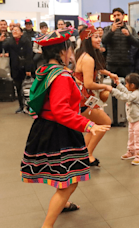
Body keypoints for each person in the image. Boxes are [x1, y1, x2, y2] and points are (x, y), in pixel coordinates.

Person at [20, 28, 110, 228]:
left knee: (62, 176)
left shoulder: (46, 71)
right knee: (70, 181)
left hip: (47, 127)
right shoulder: (61, 76)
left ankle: (64, 204)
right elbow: (61, 110)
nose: (72, 53)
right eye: (69, 49)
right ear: (61, 52)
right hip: (60, 131)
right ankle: (47, 225)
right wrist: (88, 124)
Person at [74, 23, 118, 166]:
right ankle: (88, 155)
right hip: (84, 99)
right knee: (105, 122)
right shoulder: (88, 59)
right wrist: (106, 86)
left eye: (100, 37)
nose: (99, 40)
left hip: (82, 98)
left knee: (92, 125)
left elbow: (98, 69)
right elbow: (88, 84)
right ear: (87, 39)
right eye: (96, 37)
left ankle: (83, 154)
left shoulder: (84, 54)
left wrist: (110, 74)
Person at [102, 7, 139, 126]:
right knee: (112, 91)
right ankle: (113, 117)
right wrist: (112, 31)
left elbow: (137, 43)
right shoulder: (108, 29)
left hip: (126, 64)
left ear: (123, 16)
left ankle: (125, 117)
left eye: (119, 14)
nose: (117, 17)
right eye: (115, 15)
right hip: (112, 64)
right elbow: (104, 41)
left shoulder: (130, 29)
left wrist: (128, 36)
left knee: (127, 92)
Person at [110, 73, 139, 165]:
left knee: (138, 139)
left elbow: (126, 97)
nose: (125, 85)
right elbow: (126, 92)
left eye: (126, 84)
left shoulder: (137, 94)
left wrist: (112, 90)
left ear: (132, 85)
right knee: (131, 137)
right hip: (132, 120)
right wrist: (118, 85)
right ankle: (131, 152)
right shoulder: (133, 91)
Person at [0, 26, 33, 113]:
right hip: (15, 67)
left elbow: (29, 55)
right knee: (18, 88)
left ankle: (30, 106)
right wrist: (1, 41)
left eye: (17, 30)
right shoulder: (9, 41)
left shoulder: (26, 41)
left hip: (25, 67)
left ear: (21, 33)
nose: (14, 31)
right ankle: (21, 106)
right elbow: (3, 49)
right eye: (13, 30)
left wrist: (28, 69)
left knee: (28, 88)